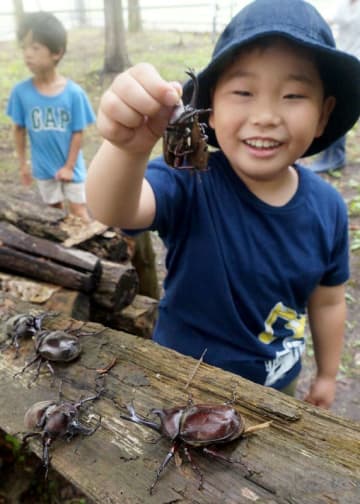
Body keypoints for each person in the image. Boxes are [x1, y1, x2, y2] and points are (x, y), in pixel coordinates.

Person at [86, 0, 360, 408]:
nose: (265, 115)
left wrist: (326, 374)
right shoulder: (190, 180)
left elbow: (329, 299)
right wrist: (126, 150)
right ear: (209, 110)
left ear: (324, 114)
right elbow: (115, 209)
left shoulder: (329, 208)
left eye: (293, 94)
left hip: (275, 385)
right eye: (244, 92)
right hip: (180, 381)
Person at [7, 11, 96, 222]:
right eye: (24, 48)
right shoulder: (21, 93)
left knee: (79, 213)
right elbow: (18, 129)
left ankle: (93, 252)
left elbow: (78, 132)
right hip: (43, 168)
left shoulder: (73, 94)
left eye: (35, 48)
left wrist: (68, 167)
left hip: (72, 168)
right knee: (53, 215)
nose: (27, 54)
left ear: (57, 52)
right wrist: (23, 164)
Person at [309, 0, 360, 173]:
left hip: (358, 61)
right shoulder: (344, 6)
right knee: (336, 106)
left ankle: (335, 157)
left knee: (342, 106)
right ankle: (334, 156)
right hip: (343, 57)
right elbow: (330, 21)